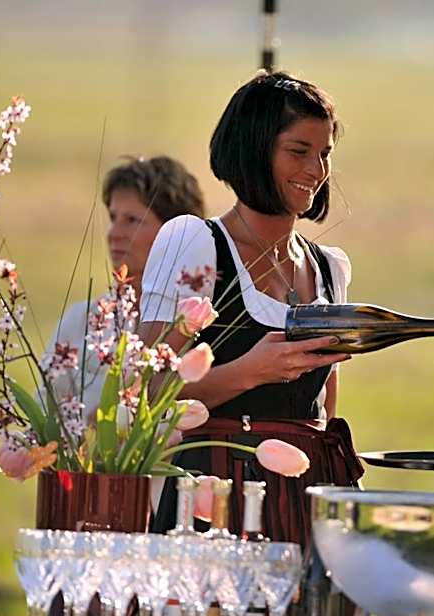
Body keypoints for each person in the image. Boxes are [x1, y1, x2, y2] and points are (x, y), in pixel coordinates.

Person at [139, 71, 364, 545]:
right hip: (213, 493)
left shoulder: (328, 268)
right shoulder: (196, 244)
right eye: (299, 151)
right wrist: (250, 370)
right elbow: (147, 393)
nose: (316, 170)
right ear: (254, 148)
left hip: (305, 496)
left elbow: (322, 410)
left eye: (324, 154)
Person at [43, 155, 204, 422]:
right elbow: (44, 413)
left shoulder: (198, 326)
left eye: (132, 220)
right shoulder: (80, 320)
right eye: (113, 217)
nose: (114, 232)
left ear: (174, 233)